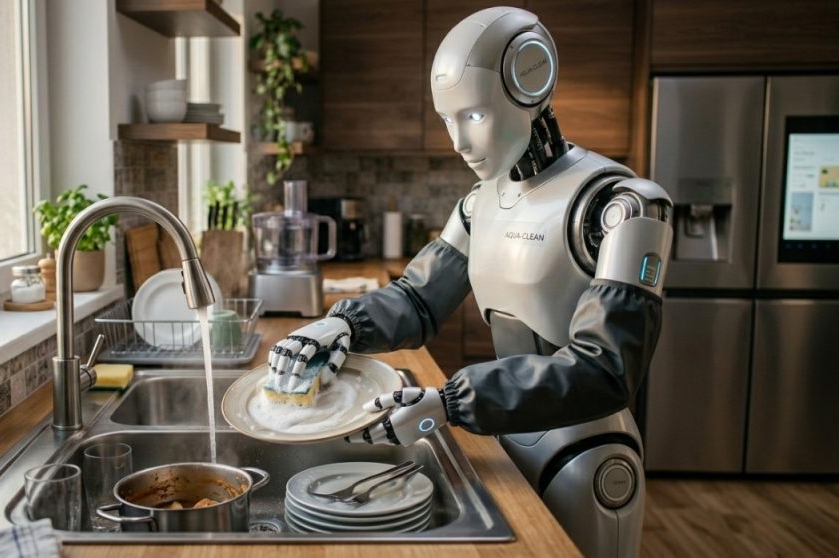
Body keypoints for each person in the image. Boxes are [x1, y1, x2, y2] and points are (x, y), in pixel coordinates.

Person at [266, 7, 672, 558]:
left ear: (531, 83)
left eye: (474, 114)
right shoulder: (480, 203)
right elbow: (417, 299)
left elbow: (606, 371)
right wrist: (340, 326)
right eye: (447, 119)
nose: (458, 140)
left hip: (586, 451)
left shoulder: (620, 205)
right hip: (503, 436)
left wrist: (454, 402)